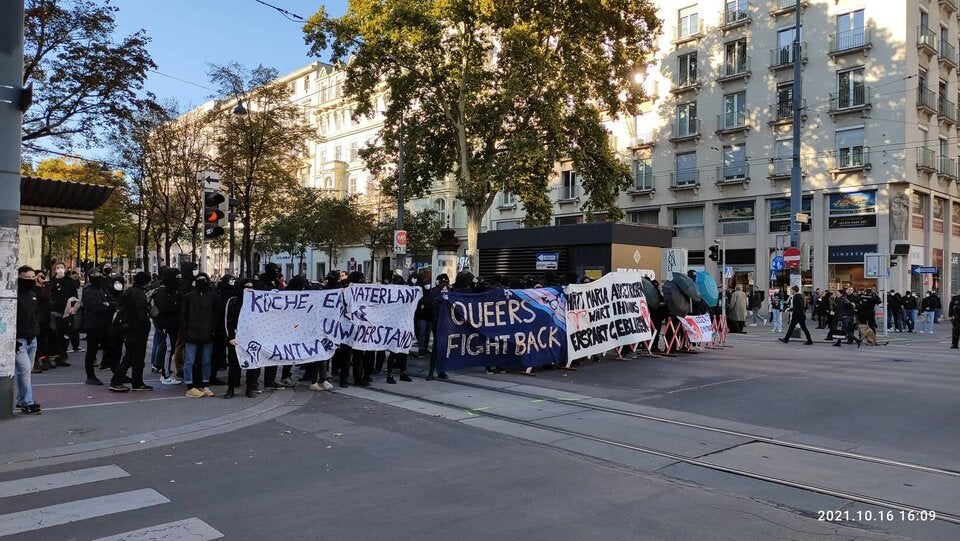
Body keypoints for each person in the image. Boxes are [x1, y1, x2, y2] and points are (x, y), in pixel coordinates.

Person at [109, 272, 153, 392]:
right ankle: (118, 381)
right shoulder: (140, 294)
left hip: (128, 327)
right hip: (137, 329)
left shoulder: (130, 291)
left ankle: (136, 382)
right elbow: (141, 314)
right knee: (133, 356)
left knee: (132, 356)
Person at [224, 277, 263, 398]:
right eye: (247, 287)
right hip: (236, 339)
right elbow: (227, 321)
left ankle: (249, 388)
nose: (249, 290)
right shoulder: (233, 301)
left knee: (252, 365)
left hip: (251, 339)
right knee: (234, 365)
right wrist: (230, 337)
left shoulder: (257, 301)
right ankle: (231, 389)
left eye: (252, 287)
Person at [181, 272, 218, 398]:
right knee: (191, 361)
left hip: (205, 333)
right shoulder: (189, 297)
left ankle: (203, 384)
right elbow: (184, 315)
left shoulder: (211, 297)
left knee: (204, 361)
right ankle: (191, 386)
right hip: (194, 333)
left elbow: (215, 315)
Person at [79, 268, 116, 385]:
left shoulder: (102, 288)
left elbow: (113, 302)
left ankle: (117, 372)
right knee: (92, 350)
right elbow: (96, 307)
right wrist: (107, 305)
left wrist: (108, 304)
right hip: (93, 324)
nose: (98, 276)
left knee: (111, 348)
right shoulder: (88, 290)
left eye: (99, 273)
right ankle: (90, 376)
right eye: (95, 274)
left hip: (105, 323)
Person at [15, 266, 43, 414]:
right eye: (28, 278)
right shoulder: (14, 295)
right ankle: (27, 402)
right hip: (19, 340)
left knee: (26, 371)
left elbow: (37, 314)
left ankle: (21, 399)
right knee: (24, 369)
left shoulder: (33, 294)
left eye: (34, 277)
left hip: (32, 338)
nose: (32, 280)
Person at [152, 268, 182, 384]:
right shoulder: (163, 291)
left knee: (169, 348)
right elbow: (165, 308)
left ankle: (166, 372)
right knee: (168, 349)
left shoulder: (171, 290)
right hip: (166, 324)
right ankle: (165, 374)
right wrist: (175, 305)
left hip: (170, 324)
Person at [47, 262, 76, 367]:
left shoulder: (69, 281)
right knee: (55, 334)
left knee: (65, 335)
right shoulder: (52, 282)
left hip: (67, 311)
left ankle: (62, 356)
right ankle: (54, 355)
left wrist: (73, 307)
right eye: (57, 268)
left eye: (62, 267)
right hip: (55, 311)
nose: (60, 269)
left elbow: (74, 295)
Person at [427, 273, 451, 380]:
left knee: (443, 348)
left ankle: (441, 371)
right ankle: (432, 372)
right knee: (437, 348)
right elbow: (431, 305)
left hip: (445, 322)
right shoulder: (435, 291)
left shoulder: (450, 291)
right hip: (438, 322)